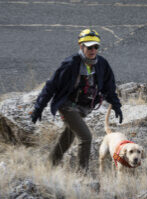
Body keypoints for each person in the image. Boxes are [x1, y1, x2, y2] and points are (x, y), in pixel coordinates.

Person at [31, 29, 123, 173]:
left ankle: (49, 165)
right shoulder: (70, 64)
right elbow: (51, 85)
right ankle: (82, 174)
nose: (93, 50)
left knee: (67, 137)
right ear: (81, 46)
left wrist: (117, 106)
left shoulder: (102, 64)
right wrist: (39, 107)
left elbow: (109, 86)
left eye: (96, 47)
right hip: (67, 106)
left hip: (84, 108)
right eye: (89, 47)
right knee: (86, 137)